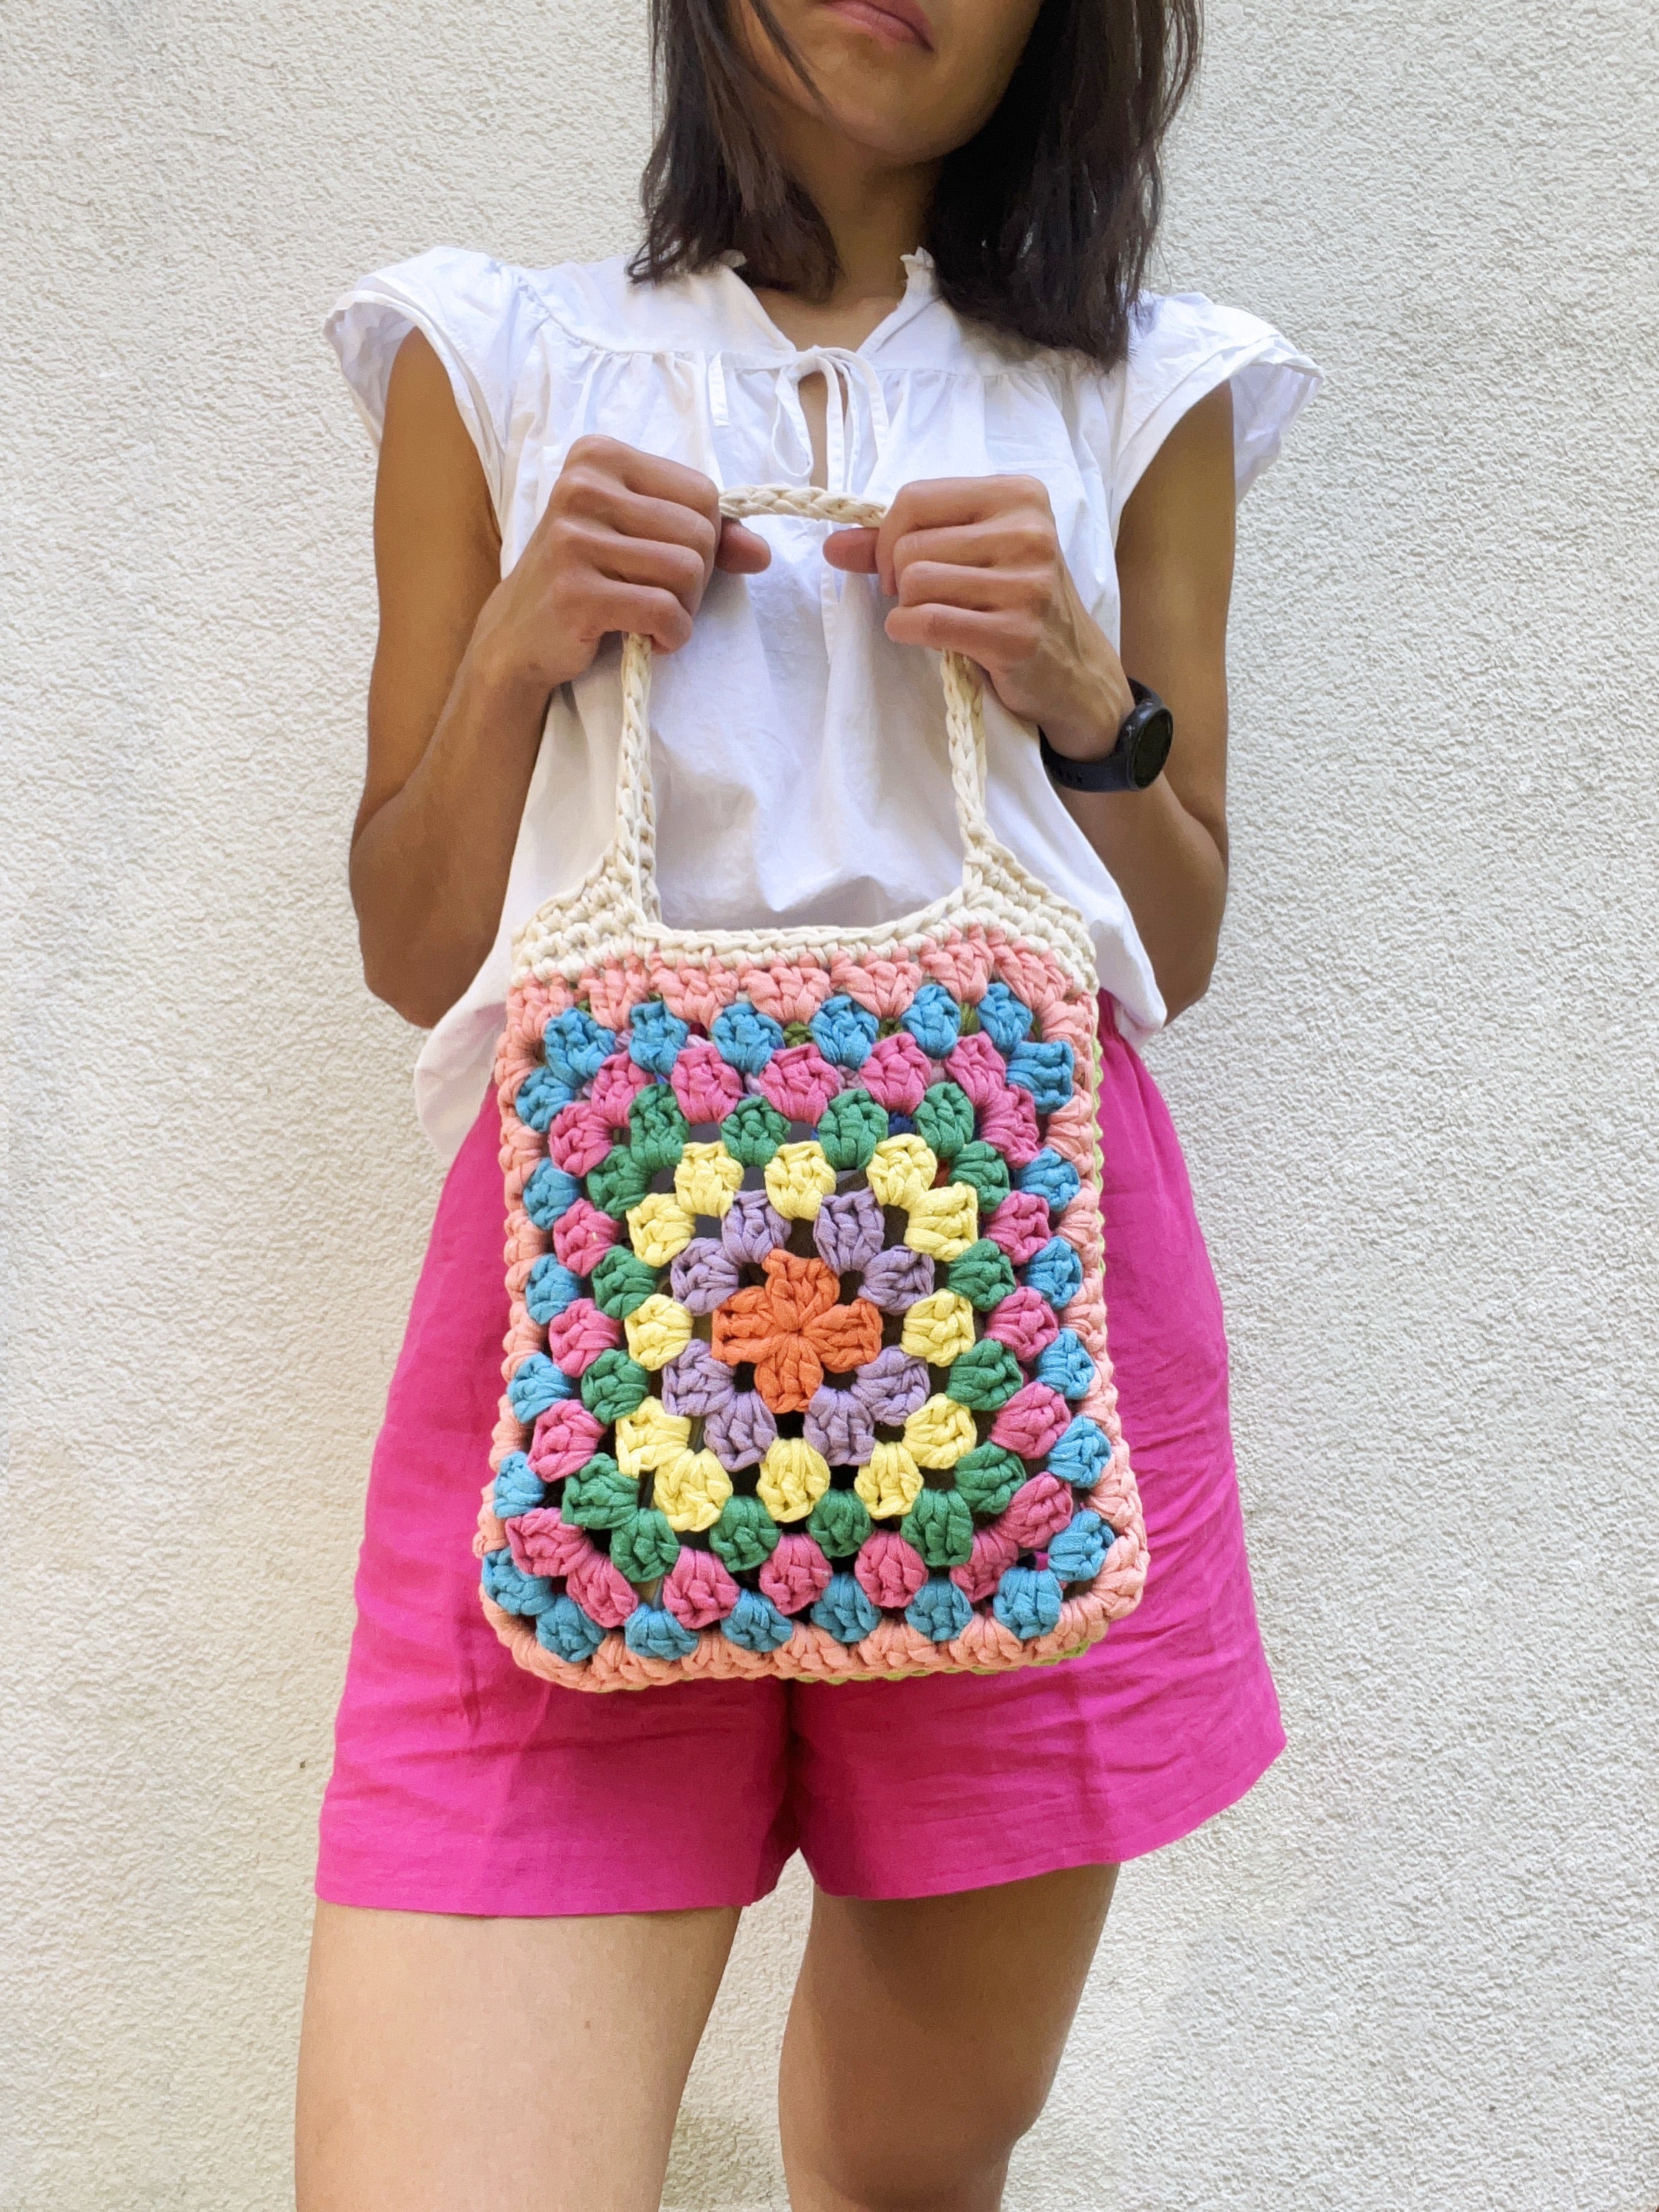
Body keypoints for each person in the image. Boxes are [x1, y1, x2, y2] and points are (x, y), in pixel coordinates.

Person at [295, 2, 1322, 2205]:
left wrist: (1080, 699)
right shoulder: (493, 359)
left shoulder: (1144, 388)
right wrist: (513, 650)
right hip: (580, 1331)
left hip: (1021, 1322)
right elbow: (407, 936)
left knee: (901, 2172)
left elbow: (1186, 930)